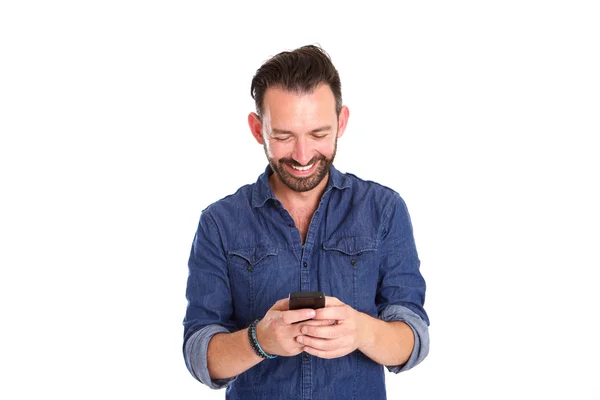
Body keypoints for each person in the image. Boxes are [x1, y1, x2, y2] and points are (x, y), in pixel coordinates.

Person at [183, 44, 430, 399]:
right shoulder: (219, 223)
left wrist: (361, 331)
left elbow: (413, 339)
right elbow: (199, 355)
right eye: (283, 137)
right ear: (257, 129)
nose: (302, 156)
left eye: (318, 134)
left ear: (341, 122)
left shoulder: (384, 209)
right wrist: (260, 339)